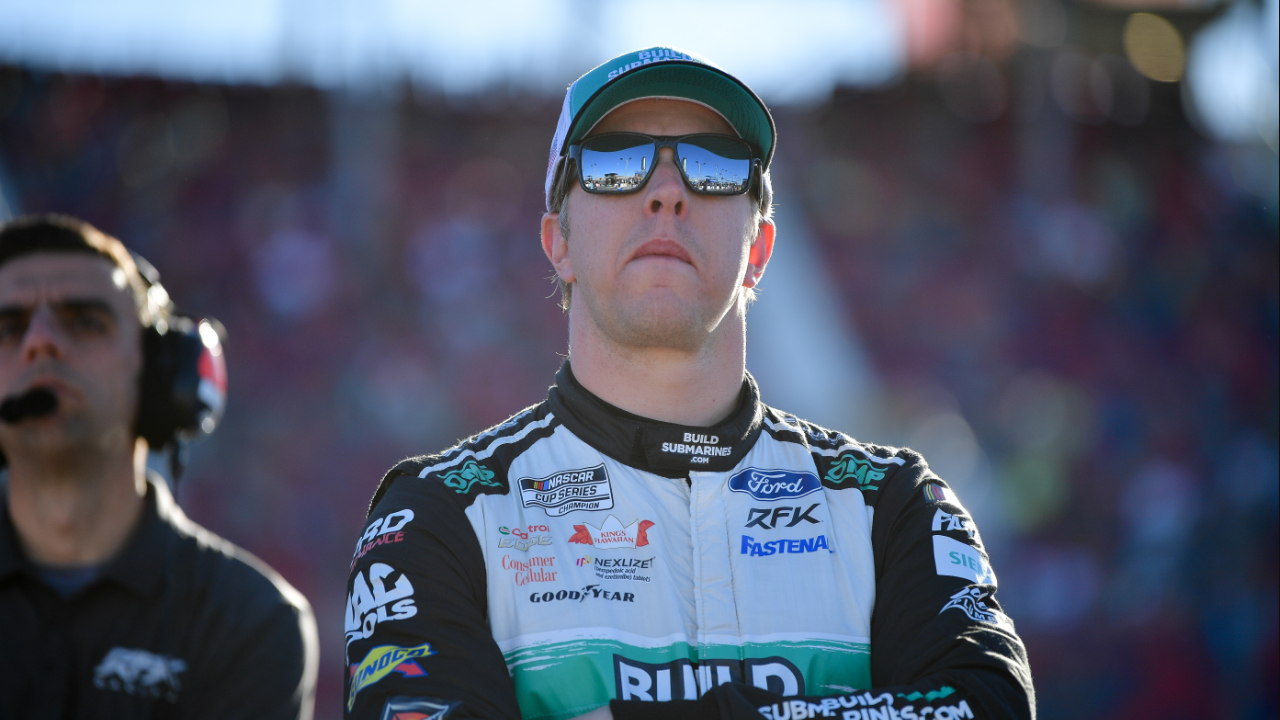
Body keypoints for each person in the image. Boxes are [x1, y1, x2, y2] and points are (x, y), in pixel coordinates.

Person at [345, 47, 1034, 720]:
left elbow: (987, 705)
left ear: (759, 250)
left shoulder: (893, 505)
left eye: (712, 167)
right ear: (558, 242)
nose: (667, 192)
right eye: (617, 164)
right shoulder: (437, 516)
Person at [0, 214, 319, 719]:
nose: (40, 342)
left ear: (160, 373)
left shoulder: (249, 620)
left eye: (84, 321)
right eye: (8, 327)